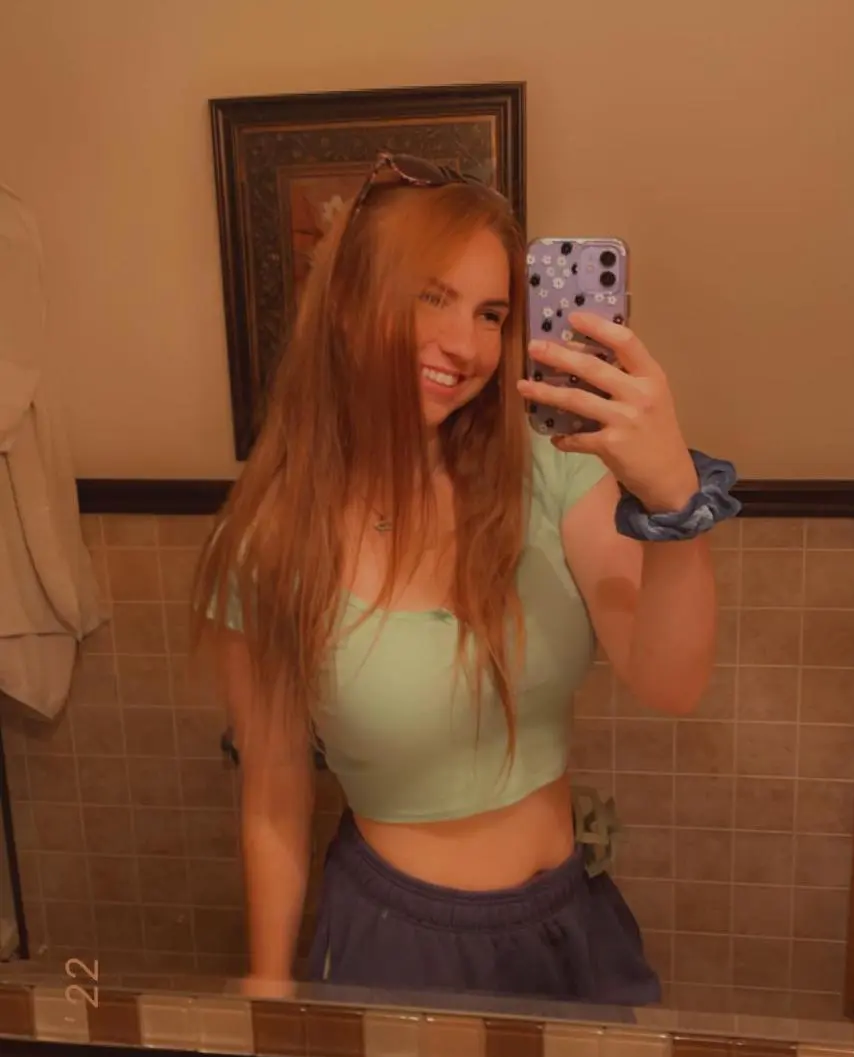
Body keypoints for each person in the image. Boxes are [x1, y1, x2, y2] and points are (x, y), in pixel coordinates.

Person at [192, 152, 738, 1005]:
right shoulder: (269, 542)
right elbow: (273, 792)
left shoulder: (554, 471)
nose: (466, 345)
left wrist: (673, 500)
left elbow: (671, 683)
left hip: (571, 924)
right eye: (432, 298)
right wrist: (267, 986)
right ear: (347, 304)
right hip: (396, 944)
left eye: (491, 314)